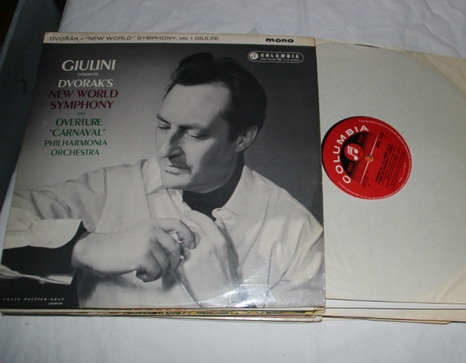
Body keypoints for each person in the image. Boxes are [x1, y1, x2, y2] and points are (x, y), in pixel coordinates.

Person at [1, 52, 324, 309]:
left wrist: (224, 293)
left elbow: (295, 349)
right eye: (163, 127)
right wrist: (81, 247)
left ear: (242, 138)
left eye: (194, 133)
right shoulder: (107, 189)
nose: (166, 150)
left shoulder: (299, 234)